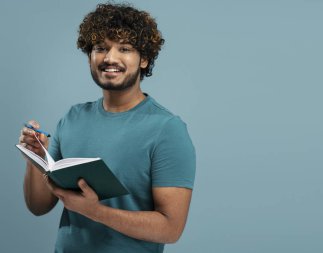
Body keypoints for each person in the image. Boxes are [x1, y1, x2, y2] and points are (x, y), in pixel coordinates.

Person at [18, 3, 196, 253]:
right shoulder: (72, 118)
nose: (110, 58)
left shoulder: (167, 129)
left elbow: (171, 228)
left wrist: (95, 211)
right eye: (101, 48)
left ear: (144, 59)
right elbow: (38, 206)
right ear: (90, 55)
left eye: (124, 49)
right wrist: (34, 157)